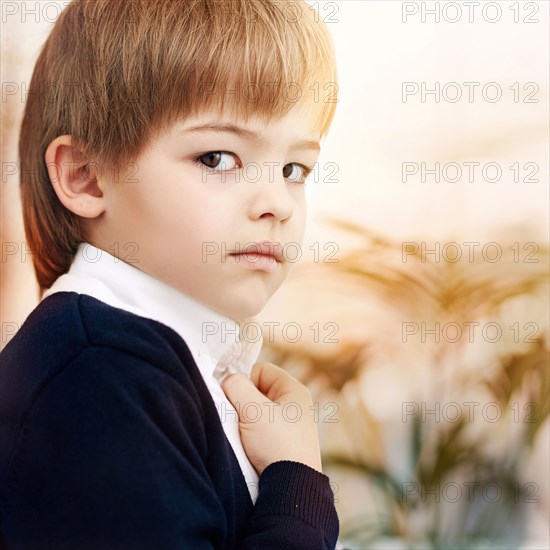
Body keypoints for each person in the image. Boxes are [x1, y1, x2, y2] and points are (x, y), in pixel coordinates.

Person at [0, 0, 340, 548]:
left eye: (293, 168)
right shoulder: (100, 379)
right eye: (217, 158)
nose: (277, 201)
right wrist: (296, 487)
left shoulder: (139, 364)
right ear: (86, 177)